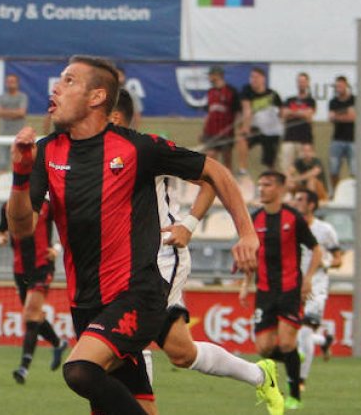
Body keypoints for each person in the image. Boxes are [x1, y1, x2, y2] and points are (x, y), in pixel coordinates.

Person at [5, 56, 280, 415]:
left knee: (80, 371)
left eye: (69, 81)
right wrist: (20, 175)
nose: (55, 87)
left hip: (138, 294)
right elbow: (22, 228)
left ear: (97, 97)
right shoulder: (47, 152)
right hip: (86, 302)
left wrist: (246, 234)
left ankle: (260, 376)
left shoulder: (137, 148)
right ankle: (257, 376)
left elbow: (215, 171)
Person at [109, 91, 284, 414]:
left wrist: (188, 224)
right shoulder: (92, 154)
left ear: (115, 117)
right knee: (181, 353)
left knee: (127, 336)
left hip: (161, 255)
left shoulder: (148, 148)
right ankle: (261, 375)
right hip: (122, 262)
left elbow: (211, 177)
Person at [240, 171, 321, 411]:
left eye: (267, 185)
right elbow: (250, 254)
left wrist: (307, 280)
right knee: (263, 348)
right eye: (260, 184)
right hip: (264, 291)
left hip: (290, 289)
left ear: (281, 189)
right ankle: (293, 357)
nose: (262, 188)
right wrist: (246, 284)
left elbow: (316, 250)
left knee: (286, 342)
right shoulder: (254, 219)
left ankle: (294, 395)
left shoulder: (293, 217)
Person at [0, 200, 67, 384]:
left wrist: (57, 249)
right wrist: (1, 238)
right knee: (34, 317)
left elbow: (65, 226)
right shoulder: (8, 206)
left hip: (42, 267)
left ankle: (23, 368)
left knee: (30, 315)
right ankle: (58, 343)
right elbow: (1, 229)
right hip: (20, 270)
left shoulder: (47, 205)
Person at [290, 188, 340, 397]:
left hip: (317, 286)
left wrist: (324, 262)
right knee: (291, 334)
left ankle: (300, 381)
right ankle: (325, 340)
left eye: (300, 199)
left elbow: (338, 259)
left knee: (304, 332)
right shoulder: (291, 227)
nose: (296, 202)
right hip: (294, 284)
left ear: (311, 205)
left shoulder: (325, 229)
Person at [236, 67, 284, 176]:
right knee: (242, 139)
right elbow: (246, 109)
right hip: (256, 127)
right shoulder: (247, 90)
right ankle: (242, 169)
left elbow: (281, 112)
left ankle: (272, 176)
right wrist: (245, 127)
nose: (253, 80)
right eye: (252, 77)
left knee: (269, 161)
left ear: (263, 79)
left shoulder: (273, 95)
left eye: (256, 77)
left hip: (271, 130)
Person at [201, 66, 241, 170]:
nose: (209, 78)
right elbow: (208, 112)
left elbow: (238, 111)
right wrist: (203, 131)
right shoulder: (210, 92)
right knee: (210, 157)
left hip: (226, 131)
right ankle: (211, 182)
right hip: (211, 131)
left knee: (227, 159)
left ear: (218, 75)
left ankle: (228, 182)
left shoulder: (231, 91)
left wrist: (237, 129)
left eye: (211, 75)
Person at [280, 73, 317, 177]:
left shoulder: (311, 101)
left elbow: (308, 115)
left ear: (308, 83)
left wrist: (292, 112)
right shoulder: (289, 100)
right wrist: (301, 112)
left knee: (303, 170)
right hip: (289, 138)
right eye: (300, 81)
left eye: (304, 81)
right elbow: (284, 114)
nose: (301, 84)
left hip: (305, 140)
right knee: (286, 169)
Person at [327, 76, 357, 190]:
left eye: (341, 85)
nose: (339, 88)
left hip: (352, 140)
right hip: (337, 139)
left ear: (346, 86)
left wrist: (337, 116)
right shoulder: (333, 102)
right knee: (334, 169)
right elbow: (330, 118)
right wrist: (345, 113)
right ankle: (335, 192)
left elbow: (352, 117)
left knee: (354, 170)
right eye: (337, 86)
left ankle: (354, 193)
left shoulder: (354, 100)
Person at [0, 74, 29, 172]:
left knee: (20, 162)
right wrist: (15, 112)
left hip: (19, 136)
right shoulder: (1, 98)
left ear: (17, 83)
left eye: (13, 82)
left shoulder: (22, 97)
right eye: (9, 82)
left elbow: (22, 113)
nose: (11, 84)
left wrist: (5, 112)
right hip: (4, 135)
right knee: (2, 163)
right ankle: (2, 185)